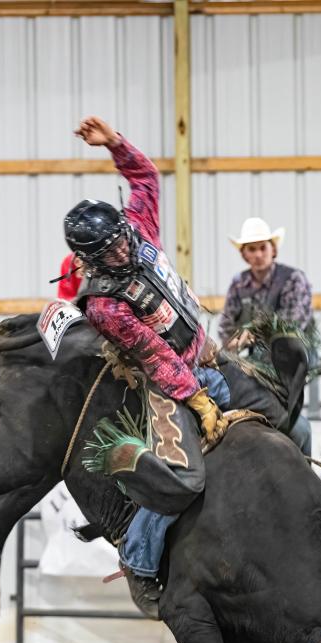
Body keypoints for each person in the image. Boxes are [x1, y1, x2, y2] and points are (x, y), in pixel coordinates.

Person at [65, 115, 225, 617]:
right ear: (91, 260)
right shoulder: (103, 304)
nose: (122, 247)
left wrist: (113, 142)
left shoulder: (137, 229)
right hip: (164, 382)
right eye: (109, 248)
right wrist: (195, 395)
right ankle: (139, 556)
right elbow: (152, 353)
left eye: (120, 237)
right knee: (183, 478)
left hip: (200, 354)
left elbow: (145, 179)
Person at [216, 216, 313, 347]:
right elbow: (226, 326)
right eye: (252, 249)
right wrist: (233, 343)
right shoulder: (238, 284)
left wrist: (252, 333)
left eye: (263, 248)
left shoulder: (293, 279)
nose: (258, 255)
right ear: (244, 254)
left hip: (295, 359)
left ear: (273, 250)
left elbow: (293, 324)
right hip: (253, 360)